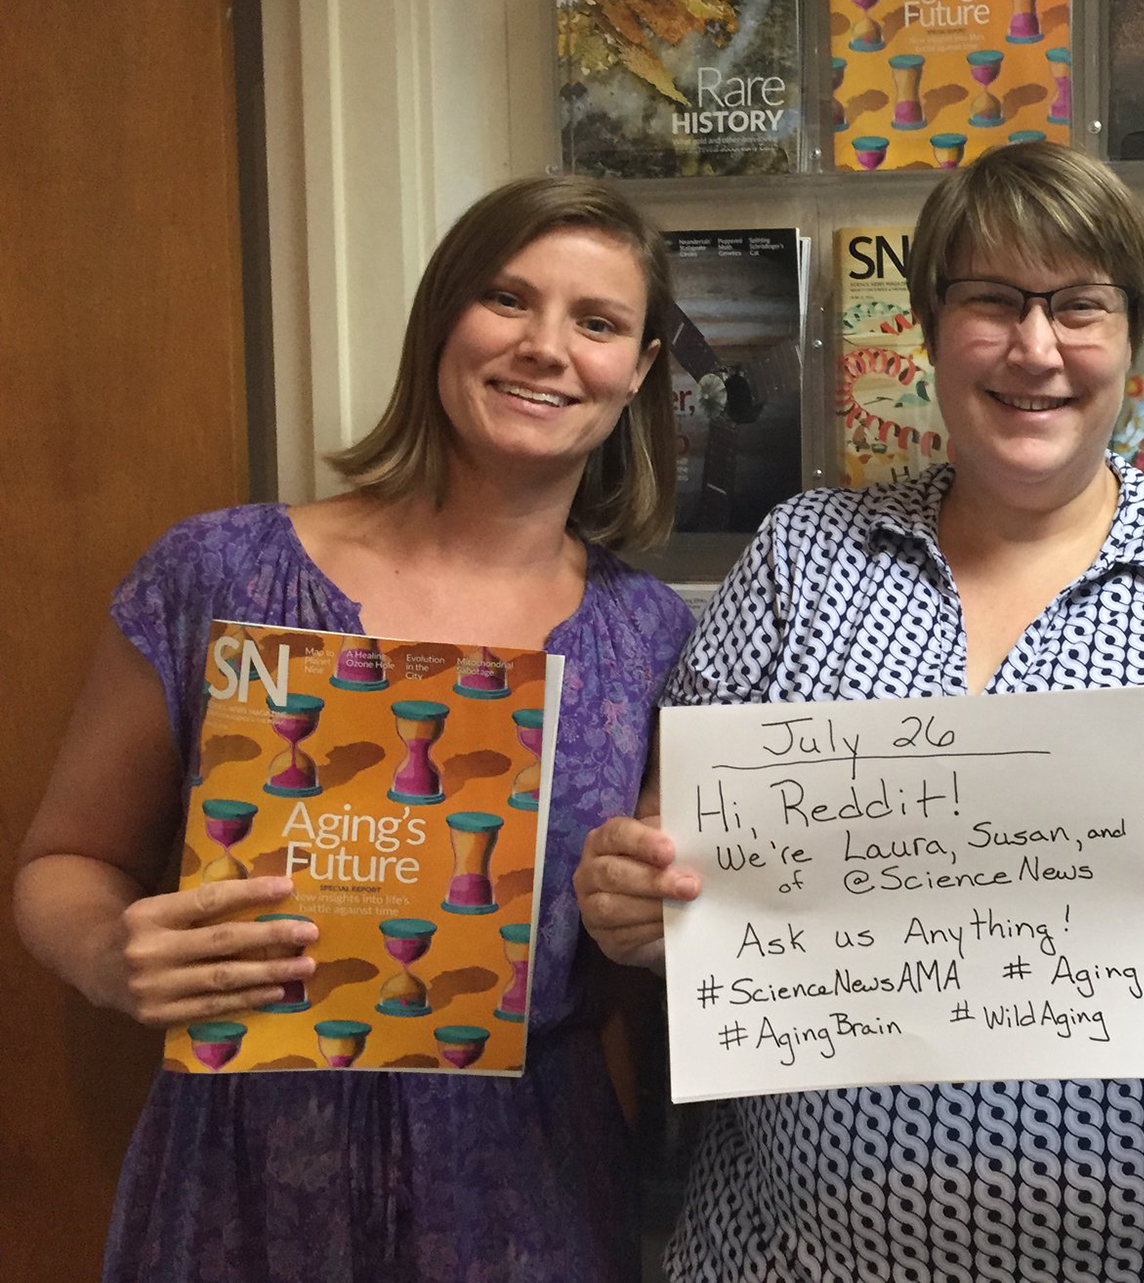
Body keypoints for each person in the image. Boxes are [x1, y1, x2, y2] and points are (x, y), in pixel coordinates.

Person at [574, 140, 1144, 1280]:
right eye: (991, 303)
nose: (1035, 348)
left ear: (1130, 336)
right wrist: (633, 901)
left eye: (1078, 306)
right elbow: (672, 845)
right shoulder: (802, 555)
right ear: (930, 330)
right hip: (811, 1254)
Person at [14, 176, 695, 1282]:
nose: (544, 348)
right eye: (506, 299)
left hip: (525, 1192)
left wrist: (648, 918)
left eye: (598, 322)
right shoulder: (219, 572)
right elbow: (67, 859)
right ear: (441, 321)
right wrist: (107, 954)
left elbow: (649, 946)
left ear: (641, 369)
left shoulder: (652, 637)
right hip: (244, 1167)